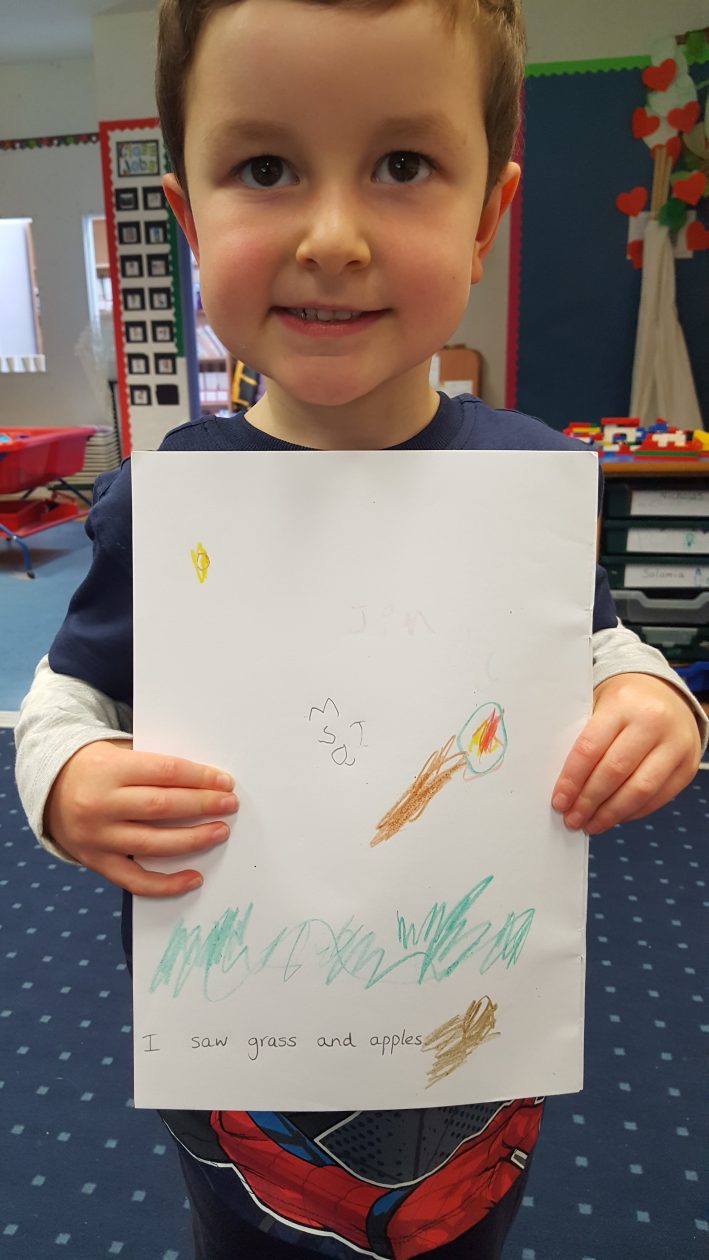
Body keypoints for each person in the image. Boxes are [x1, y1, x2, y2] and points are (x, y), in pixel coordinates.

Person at [15, 1, 707, 1257]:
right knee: (247, 1235)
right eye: (264, 168)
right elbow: (66, 695)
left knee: (459, 1233)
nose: (331, 239)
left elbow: (598, 647)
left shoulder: (524, 483)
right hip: (237, 1052)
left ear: (486, 217)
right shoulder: (165, 505)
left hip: (467, 1042)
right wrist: (65, 782)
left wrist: (656, 700)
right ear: (187, 217)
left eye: (401, 164)